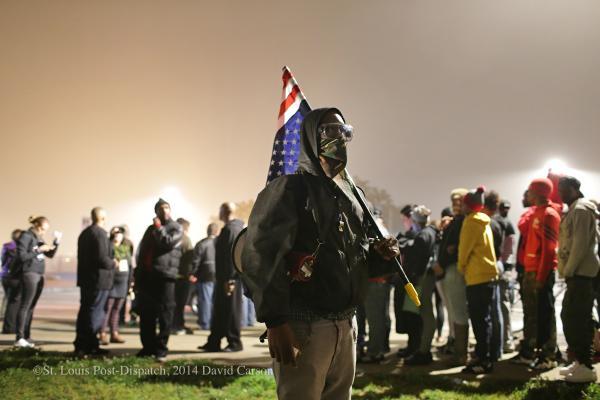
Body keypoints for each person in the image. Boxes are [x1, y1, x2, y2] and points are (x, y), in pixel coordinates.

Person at [240, 108, 400, 400]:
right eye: (330, 131)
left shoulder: (353, 195)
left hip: (346, 323)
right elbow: (260, 256)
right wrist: (275, 321)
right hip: (304, 325)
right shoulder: (290, 189)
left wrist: (381, 256)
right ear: (312, 137)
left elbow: (355, 259)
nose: (338, 138)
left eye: (344, 132)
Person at [512, 178, 561, 370]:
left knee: (544, 314)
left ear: (539, 192)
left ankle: (548, 355)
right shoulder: (537, 213)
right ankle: (533, 351)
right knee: (532, 314)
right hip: (531, 270)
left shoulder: (549, 214)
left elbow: (549, 251)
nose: (528, 194)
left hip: (541, 272)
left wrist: (541, 277)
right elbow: (523, 228)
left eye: (531, 191)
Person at [557, 176, 600, 383]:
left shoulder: (581, 210)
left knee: (578, 319)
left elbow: (580, 244)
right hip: (577, 273)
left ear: (574, 189)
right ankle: (580, 361)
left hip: (581, 274)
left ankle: (586, 366)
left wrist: (569, 270)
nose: (560, 193)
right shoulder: (575, 209)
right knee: (571, 316)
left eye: (564, 189)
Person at [135, 198, 183, 362]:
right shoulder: (150, 229)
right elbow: (142, 252)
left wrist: (158, 228)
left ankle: (161, 348)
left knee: (165, 314)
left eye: (167, 208)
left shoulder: (176, 228)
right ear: (155, 212)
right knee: (146, 314)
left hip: (165, 277)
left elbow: (167, 243)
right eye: (161, 208)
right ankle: (147, 347)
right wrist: (138, 275)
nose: (164, 211)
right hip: (148, 277)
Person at [458, 186, 499, 374]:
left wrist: (461, 268)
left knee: (479, 320)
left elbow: (464, 249)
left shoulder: (471, 222)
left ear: (468, 205)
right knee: (486, 319)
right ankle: (486, 357)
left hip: (476, 276)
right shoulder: (484, 221)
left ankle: (483, 360)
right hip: (488, 275)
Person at [200, 203, 245, 352]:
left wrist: (230, 279)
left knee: (231, 311)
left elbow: (232, 256)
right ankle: (214, 341)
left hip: (229, 278)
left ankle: (235, 342)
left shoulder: (231, 229)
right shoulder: (232, 228)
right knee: (220, 310)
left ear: (225, 211)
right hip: (226, 277)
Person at [432, 188, 469, 365]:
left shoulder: (464, 222)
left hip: (454, 269)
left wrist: (444, 261)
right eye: (453, 201)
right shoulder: (456, 221)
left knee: (458, 311)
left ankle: (461, 354)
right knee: (453, 311)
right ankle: (457, 348)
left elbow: (455, 249)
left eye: (459, 201)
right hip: (448, 269)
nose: (455, 204)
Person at [74, 208, 116, 356]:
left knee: (85, 311)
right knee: (96, 313)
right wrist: (113, 263)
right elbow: (102, 259)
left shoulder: (84, 234)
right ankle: (90, 346)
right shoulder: (100, 234)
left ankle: (82, 345)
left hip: (86, 279)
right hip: (99, 281)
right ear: (103, 218)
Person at [14, 216, 60, 348]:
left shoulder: (38, 238)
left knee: (31, 307)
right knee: (25, 305)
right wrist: (39, 250)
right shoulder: (26, 236)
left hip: (38, 274)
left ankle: (26, 337)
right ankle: (19, 337)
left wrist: (56, 242)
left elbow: (50, 255)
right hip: (29, 273)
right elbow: (22, 256)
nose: (43, 232)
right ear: (37, 226)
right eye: (43, 229)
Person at [403, 206, 438, 366]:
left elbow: (418, 259)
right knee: (424, 314)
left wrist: (413, 276)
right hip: (428, 277)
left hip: (421, 278)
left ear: (416, 220)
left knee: (423, 314)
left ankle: (422, 350)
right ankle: (421, 349)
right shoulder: (432, 232)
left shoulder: (422, 236)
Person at [100, 226, 132, 345]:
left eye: (120, 232)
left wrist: (130, 283)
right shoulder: (108, 247)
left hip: (123, 282)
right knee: (107, 309)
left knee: (117, 310)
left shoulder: (126, 248)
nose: (118, 234)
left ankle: (114, 333)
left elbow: (130, 267)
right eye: (116, 232)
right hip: (111, 282)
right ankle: (102, 333)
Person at [482, 191, 504, 362]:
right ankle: (497, 349)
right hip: (497, 264)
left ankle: (494, 349)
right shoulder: (497, 222)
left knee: (493, 311)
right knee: (496, 311)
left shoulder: (489, 223)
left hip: (491, 266)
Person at [495, 199, 517, 352]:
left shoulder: (504, 224)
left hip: (503, 270)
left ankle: (506, 342)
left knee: (503, 306)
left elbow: (508, 250)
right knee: (503, 306)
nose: (505, 210)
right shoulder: (502, 223)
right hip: (503, 269)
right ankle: (504, 341)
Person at [190, 223, 218, 330]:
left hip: (204, 275)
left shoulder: (202, 243)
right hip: (218, 274)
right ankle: (214, 323)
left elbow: (196, 260)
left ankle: (205, 323)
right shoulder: (220, 242)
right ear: (217, 231)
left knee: (205, 299)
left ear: (207, 231)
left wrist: (193, 273)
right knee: (214, 301)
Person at [172, 217, 195, 335]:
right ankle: (178, 326)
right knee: (180, 304)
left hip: (172, 276)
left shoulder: (171, 238)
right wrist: (191, 273)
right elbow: (190, 259)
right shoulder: (186, 240)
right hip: (183, 277)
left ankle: (176, 324)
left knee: (174, 303)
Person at [1, 229, 23, 333]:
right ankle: (9, 328)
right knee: (14, 302)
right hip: (15, 277)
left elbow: (3, 260)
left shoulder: (6, 246)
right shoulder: (20, 248)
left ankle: (8, 326)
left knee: (9, 300)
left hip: (4, 276)